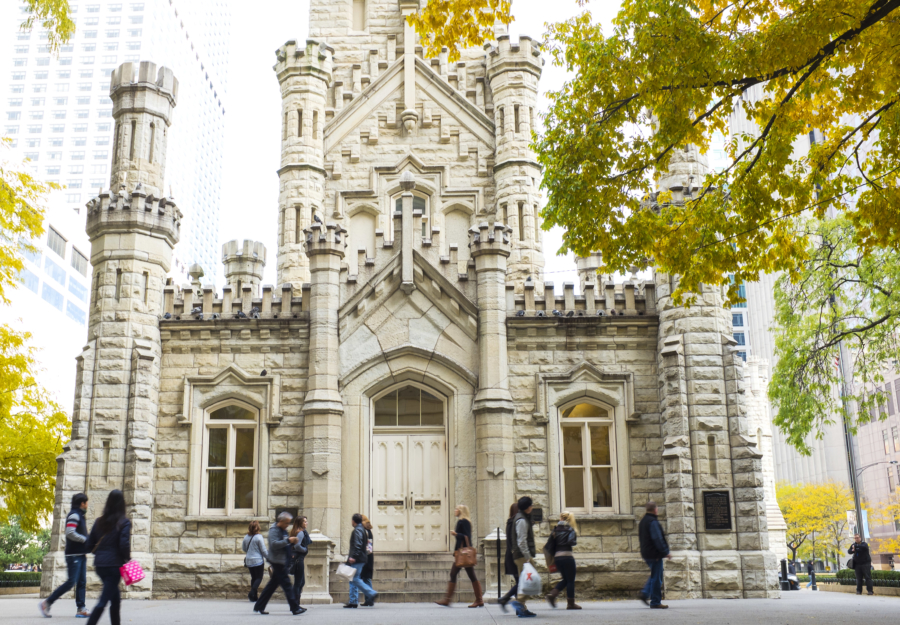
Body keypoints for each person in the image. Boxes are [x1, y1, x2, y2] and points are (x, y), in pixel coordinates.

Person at [83, 490, 131, 625]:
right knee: (103, 601)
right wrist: (128, 559)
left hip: (100, 565)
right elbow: (124, 544)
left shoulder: (99, 521)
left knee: (115, 599)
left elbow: (89, 544)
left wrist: (101, 554)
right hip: (114, 567)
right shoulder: (124, 522)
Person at [41, 492, 90, 618]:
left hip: (80, 554)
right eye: (86, 503)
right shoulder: (74, 515)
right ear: (82, 503)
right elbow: (70, 532)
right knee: (71, 582)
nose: (87, 505)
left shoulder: (79, 515)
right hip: (73, 555)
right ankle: (47, 602)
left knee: (81, 582)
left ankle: (81, 608)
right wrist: (84, 539)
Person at [253, 512, 305, 615]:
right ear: (281, 521)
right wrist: (289, 541)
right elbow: (274, 544)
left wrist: (291, 543)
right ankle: (295, 608)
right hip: (277, 562)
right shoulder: (274, 530)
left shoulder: (283, 530)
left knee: (271, 586)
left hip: (282, 561)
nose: (287, 525)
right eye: (286, 523)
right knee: (287, 585)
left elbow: (285, 543)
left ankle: (259, 606)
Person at [436, 504, 483, 608]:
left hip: (463, 554)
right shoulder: (464, 521)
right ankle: (479, 600)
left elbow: (467, 537)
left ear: (461, 511)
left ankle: (447, 600)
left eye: (457, 509)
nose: (455, 510)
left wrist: (456, 534)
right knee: (469, 575)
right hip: (462, 554)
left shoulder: (464, 521)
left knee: (454, 574)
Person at [638, 501, 671, 610]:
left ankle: (645, 593)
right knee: (657, 578)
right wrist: (665, 552)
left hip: (646, 552)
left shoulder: (643, 521)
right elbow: (658, 539)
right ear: (655, 509)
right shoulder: (653, 522)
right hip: (654, 554)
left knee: (655, 575)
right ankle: (654, 601)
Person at [544, 511, 581, 610]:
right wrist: (573, 535)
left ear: (561, 518)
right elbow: (571, 542)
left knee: (566, 579)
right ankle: (571, 603)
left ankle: (553, 594)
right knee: (570, 580)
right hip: (567, 556)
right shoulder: (570, 529)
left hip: (557, 558)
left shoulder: (555, 530)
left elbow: (549, 544)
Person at [508, 496, 537, 618]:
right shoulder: (522, 521)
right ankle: (519, 602)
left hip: (521, 555)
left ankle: (522, 608)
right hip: (522, 556)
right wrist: (527, 557)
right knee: (529, 581)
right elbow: (521, 541)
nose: (532, 507)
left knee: (526, 581)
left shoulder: (522, 518)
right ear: (528, 507)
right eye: (531, 505)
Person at [345, 513, 378, 608]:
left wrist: (354, 557)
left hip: (361, 557)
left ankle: (370, 594)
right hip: (363, 557)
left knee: (356, 579)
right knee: (354, 579)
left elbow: (364, 547)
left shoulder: (360, 531)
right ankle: (354, 601)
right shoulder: (364, 531)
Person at [498, 502, 521, 612]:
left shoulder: (510, 522)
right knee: (521, 582)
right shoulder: (515, 523)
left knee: (519, 582)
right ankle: (505, 599)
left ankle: (518, 608)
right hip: (514, 556)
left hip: (510, 556)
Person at [242, 521, 268, 603]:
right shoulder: (259, 537)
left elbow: (244, 548)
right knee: (259, 577)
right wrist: (269, 557)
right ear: (258, 527)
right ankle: (252, 592)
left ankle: (254, 597)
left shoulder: (246, 537)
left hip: (249, 560)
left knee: (253, 577)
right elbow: (263, 550)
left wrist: (250, 551)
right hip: (258, 560)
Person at [289, 515, 311, 608]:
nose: (306, 523)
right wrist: (305, 550)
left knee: (300, 582)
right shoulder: (301, 533)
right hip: (299, 560)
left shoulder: (297, 532)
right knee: (298, 583)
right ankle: (295, 605)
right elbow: (297, 546)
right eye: (305, 522)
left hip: (297, 559)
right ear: (300, 523)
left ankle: (296, 604)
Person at [360, 514, 375, 606]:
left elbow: (369, 548)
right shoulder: (367, 531)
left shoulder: (367, 532)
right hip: (367, 557)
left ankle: (370, 598)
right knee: (366, 579)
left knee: (367, 579)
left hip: (366, 558)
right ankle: (368, 599)